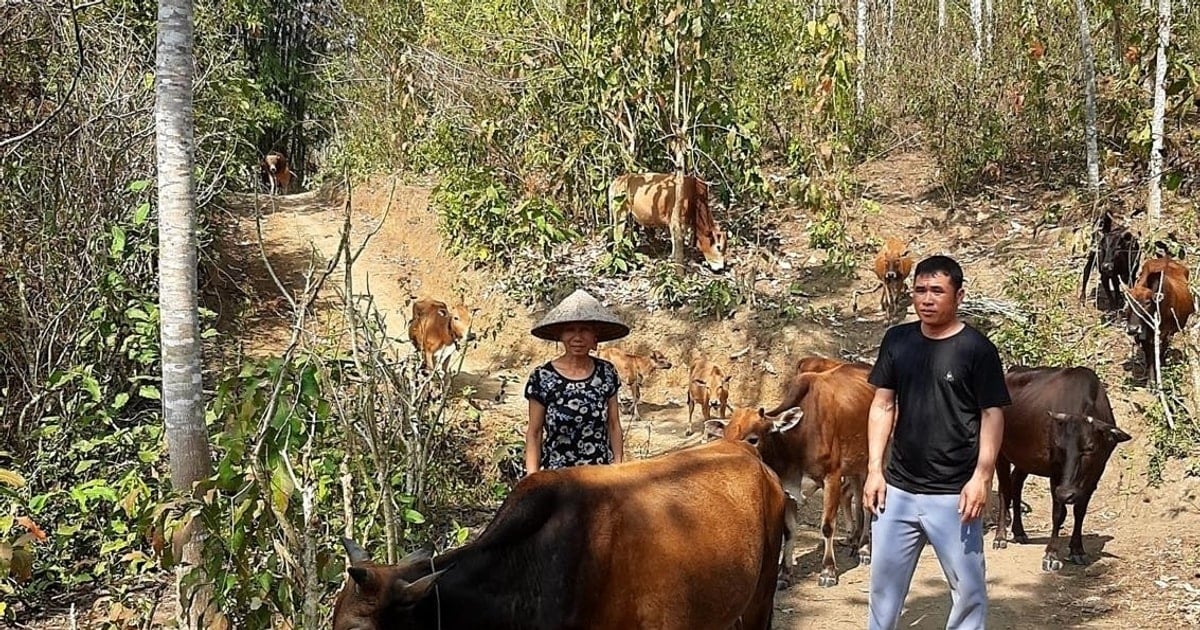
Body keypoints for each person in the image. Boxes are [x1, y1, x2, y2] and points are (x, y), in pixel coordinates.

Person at [864, 255, 1010, 630]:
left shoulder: (976, 349)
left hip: (954, 496)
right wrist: (874, 470)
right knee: (883, 590)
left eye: (937, 291)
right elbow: (882, 404)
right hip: (896, 491)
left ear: (958, 295)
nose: (926, 299)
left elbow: (992, 415)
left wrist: (982, 477)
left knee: (969, 590)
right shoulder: (898, 340)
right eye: (920, 290)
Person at [524, 289, 627, 475]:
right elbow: (534, 432)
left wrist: (618, 469)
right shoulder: (542, 377)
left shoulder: (606, 373)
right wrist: (532, 479)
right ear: (561, 336)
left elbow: (613, 424)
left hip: (598, 477)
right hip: (557, 479)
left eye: (585, 330)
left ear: (595, 337)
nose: (578, 337)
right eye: (570, 330)